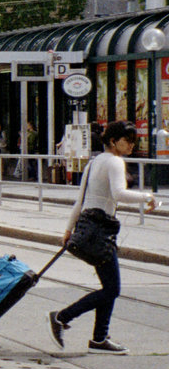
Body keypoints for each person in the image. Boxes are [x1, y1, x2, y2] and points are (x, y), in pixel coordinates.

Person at [48, 121, 158, 354]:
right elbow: (119, 194)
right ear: (112, 141)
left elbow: (80, 200)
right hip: (99, 233)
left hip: (89, 229)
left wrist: (69, 230)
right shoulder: (115, 162)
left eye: (133, 140)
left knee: (109, 286)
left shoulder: (95, 161)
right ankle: (62, 316)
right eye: (127, 140)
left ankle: (99, 339)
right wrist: (148, 196)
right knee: (112, 289)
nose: (131, 145)